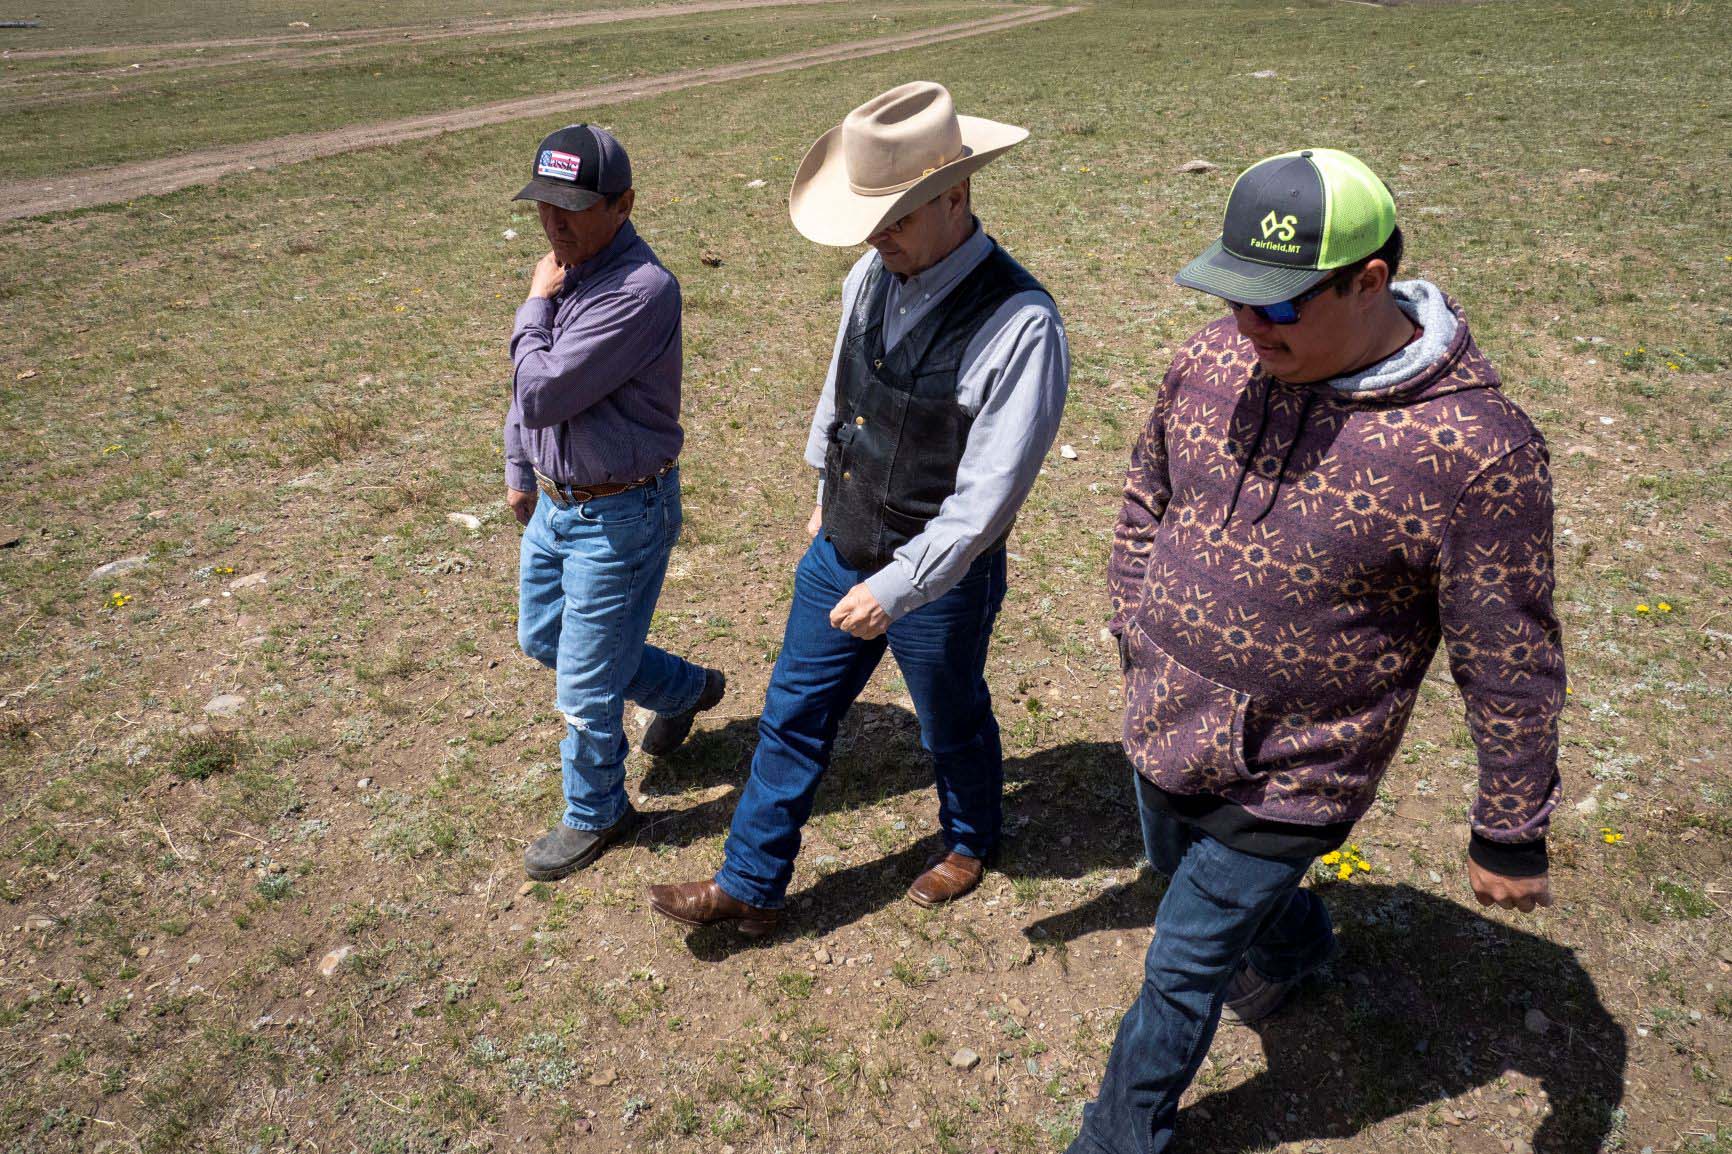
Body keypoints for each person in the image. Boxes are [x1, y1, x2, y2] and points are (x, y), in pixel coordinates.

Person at [1073, 148, 1564, 1153]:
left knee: (1181, 964)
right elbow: (1144, 492)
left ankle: (1116, 1136)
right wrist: (1134, 619)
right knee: (1177, 871)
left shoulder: (1474, 450)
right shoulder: (1212, 358)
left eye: (1278, 306)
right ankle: (1296, 948)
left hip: (1299, 766)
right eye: (1235, 296)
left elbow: (1507, 650)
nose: (1247, 327)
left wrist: (1509, 823)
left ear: (1368, 281)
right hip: (1164, 718)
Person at [646, 82, 1070, 936]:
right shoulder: (867, 277)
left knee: (949, 718)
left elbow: (985, 502)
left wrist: (899, 587)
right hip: (841, 545)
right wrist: (820, 493)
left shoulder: (1021, 326)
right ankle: (750, 884)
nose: (880, 236)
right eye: (874, 217)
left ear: (957, 195)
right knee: (792, 714)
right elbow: (839, 399)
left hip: (939, 579)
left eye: (900, 217)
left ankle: (971, 837)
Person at [505, 124, 725, 882]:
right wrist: (520, 468)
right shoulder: (570, 271)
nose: (553, 225)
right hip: (561, 505)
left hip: (618, 515)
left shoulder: (639, 290)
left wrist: (533, 304)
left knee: (584, 682)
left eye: (571, 208)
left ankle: (596, 810)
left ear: (624, 204)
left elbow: (538, 385)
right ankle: (688, 689)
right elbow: (527, 394)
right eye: (543, 207)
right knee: (545, 640)